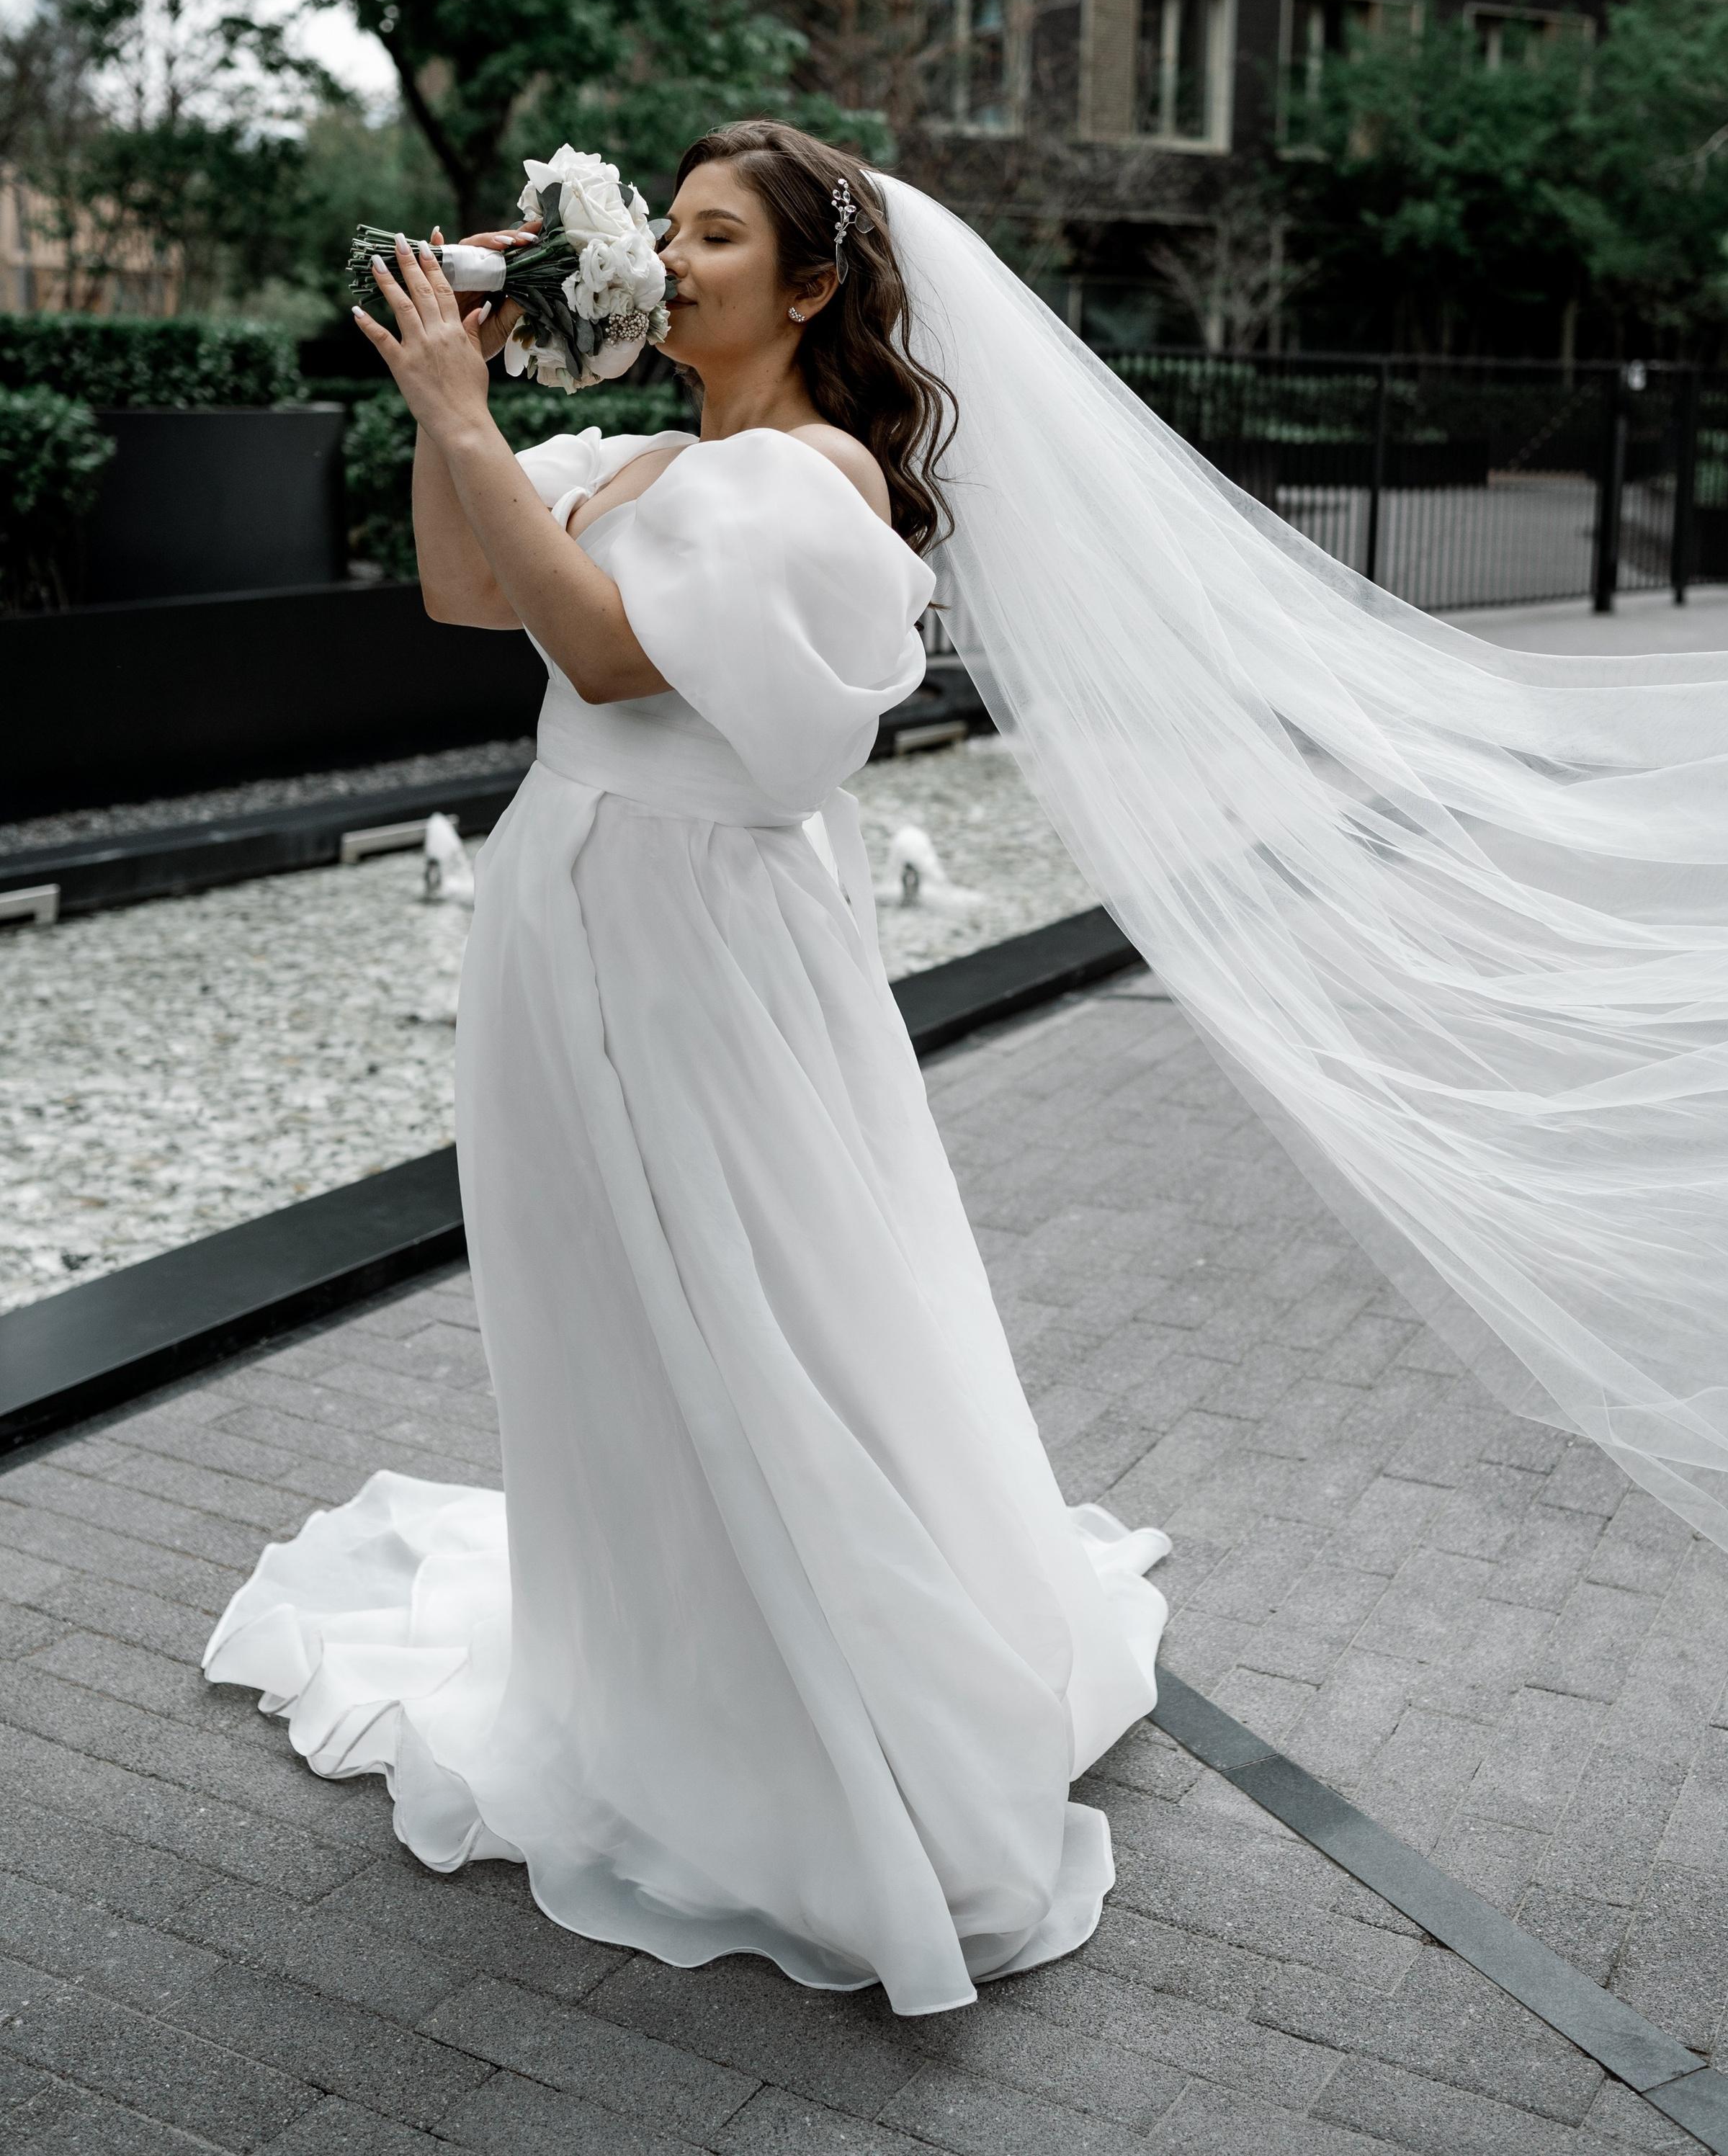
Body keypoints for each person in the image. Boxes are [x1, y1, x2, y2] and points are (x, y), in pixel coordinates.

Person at [204, 123, 1173, 2018]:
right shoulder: (657, 462)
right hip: (573, 913)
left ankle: (794, 1720)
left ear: (810, 289)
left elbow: (608, 651)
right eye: (663, 225)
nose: (669, 255)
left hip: (688, 940)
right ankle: (665, 1661)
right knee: (619, 1316)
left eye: (715, 233)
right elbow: (473, 601)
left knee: (742, 1311)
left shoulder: (805, 488)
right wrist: (458, 402)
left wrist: (461, 418)